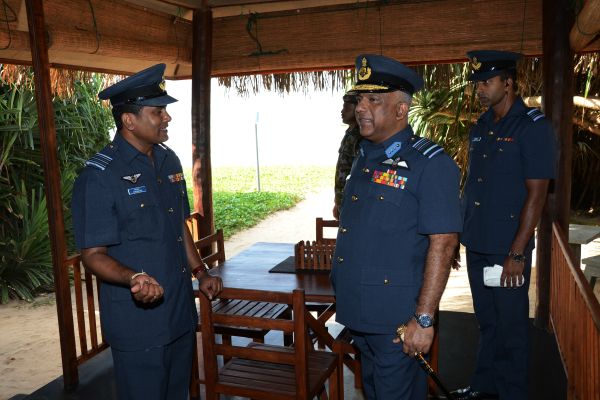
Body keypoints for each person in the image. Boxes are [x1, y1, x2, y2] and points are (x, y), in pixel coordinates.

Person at [71, 63, 222, 400]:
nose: (167, 118)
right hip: (138, 323)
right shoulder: (99, 177)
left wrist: (200, 271)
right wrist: (133, 278)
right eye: (158, 112)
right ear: (129, 120)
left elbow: (177, 225)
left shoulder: (169, 161)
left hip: (179, 313)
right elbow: (92, 255)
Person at [330, 54, 462, 400]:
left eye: (374, 100)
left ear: (402, 110)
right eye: (360, 98)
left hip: (397, 322)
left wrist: (424, 319)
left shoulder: (430, 164)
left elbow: (444, 243)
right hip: (360, 315)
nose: (361, 107)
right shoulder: (364, 155)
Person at [452, 50, 556, 400]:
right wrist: (458, 236)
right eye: (477, 83)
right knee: (487, 321)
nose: (479, 89)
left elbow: (537, 196)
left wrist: (517, 252)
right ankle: (484, 387)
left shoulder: (533, 127)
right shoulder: (481, 126)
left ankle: (513, 393)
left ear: (508, 82)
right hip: (478, 243)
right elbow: (472, 187)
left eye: (486, 82)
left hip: (506, 249)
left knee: (511, 327)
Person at [333, 92, 361, 219]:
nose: (342, 111)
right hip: (344, 201)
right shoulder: (350, 133)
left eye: (346, 107)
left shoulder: (362, 137)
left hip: (353, 203)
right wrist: (338, 201)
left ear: (357, 109)